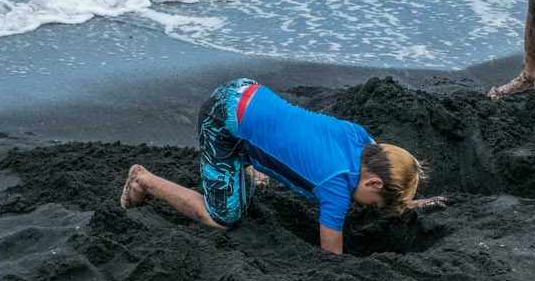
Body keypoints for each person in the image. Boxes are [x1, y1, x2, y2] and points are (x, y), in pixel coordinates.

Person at [120, 78, 444, 254]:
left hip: (249, 91)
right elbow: (331, 253)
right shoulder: (335, 186)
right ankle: (144, 181)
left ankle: (245, 166)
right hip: (221, 118)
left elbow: (387, 165)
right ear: (373, 183)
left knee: (269, 155)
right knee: (224, 217)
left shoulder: (360, 139)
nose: (370, 208)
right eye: (375, 203)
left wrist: (403, 200)